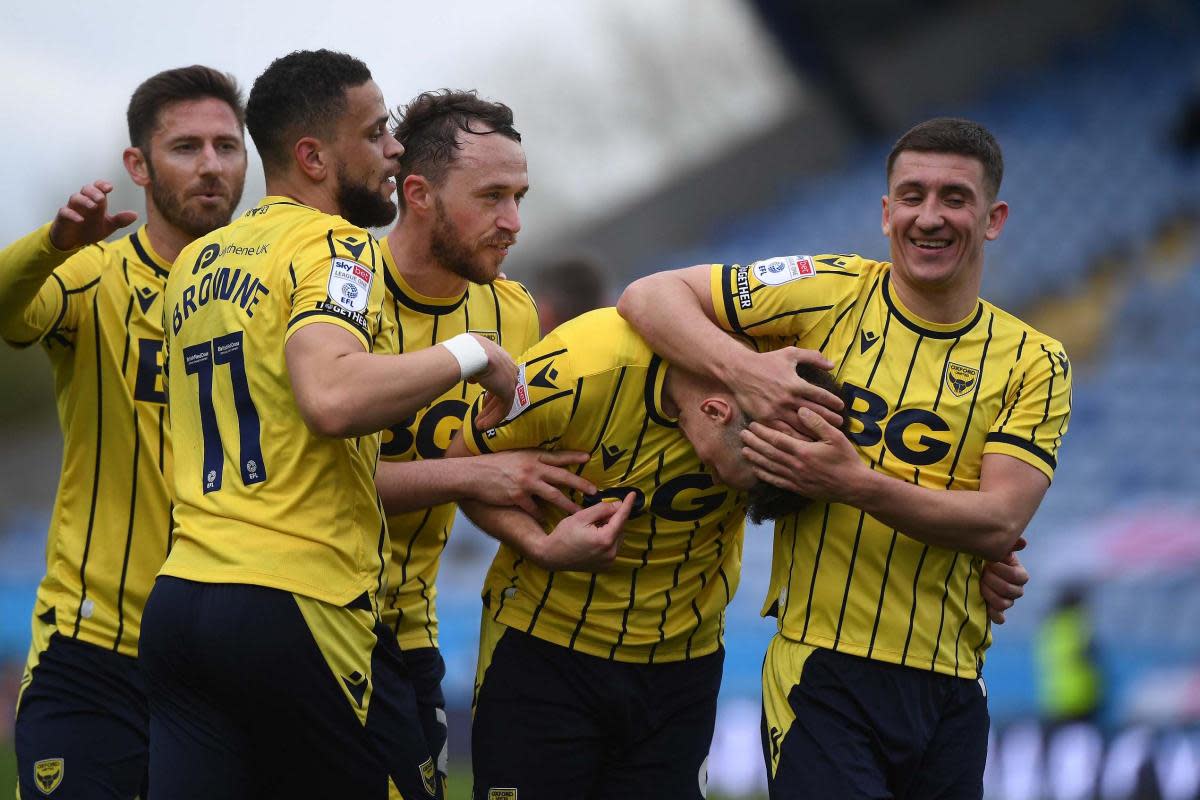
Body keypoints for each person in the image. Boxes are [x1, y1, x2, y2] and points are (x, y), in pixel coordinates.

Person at [617, 117, 1070, 798]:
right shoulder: (826, 289)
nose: (929, 217)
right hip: (822, 674)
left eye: (954, 198)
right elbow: (648, 296)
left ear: (993, 217)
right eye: (911, 196)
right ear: (886, 212)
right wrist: (747, 372)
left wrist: (853, 483)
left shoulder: (1037, 361)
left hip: (952, 686)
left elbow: (999, 522)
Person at [139, 50, 539, 799]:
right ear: (315, 156)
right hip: (300, 598)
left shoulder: (198, 259)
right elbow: (328, 397)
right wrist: (469, 352)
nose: (391, 150)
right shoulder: (338, 247)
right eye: (375, 132)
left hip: (184, 594)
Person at [449, 308, 1029, 800]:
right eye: (737, 478)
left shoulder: (791, 373)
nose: (735, 492)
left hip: (682, 669)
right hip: (542, 648)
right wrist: (541, 545)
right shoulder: (580, 372)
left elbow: (878, 477)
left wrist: (981, 554)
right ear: (716, 411)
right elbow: (460, 469)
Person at [0, 65, 248, 799]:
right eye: (186, 147)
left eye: (227, 147)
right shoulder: (91, 274)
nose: (210, 165)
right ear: (138, 165)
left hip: (226, 656)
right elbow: (9, 312)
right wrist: (52, 244)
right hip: (94, 649)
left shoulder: (270, 288)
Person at [371, 89, 592, 793]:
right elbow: (304, 479)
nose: (514, 223)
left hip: (411, 628)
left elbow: (505, 472)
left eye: (520, 196)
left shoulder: (513, 311)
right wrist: (469, 479)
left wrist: (541, 540)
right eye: (493, 196)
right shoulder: (338, 296)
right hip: (310, 622)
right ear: (420, 194)